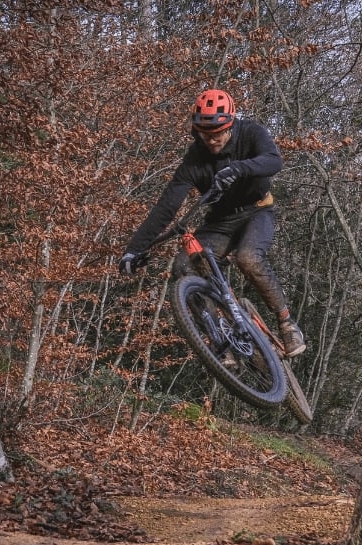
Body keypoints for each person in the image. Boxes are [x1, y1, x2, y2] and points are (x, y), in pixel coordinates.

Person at [119, 88, 305, 357]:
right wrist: (134, 249)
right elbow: (166, 207)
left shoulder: (251, 133)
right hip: (220, 222)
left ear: (230, 125)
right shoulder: (194, 159)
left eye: (218, 133)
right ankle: (219, 336)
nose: (212, 140)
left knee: (248, 258)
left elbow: (274, 161)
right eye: (205, 134)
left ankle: (287, 323)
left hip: (257, 211)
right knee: (184, 265)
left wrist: (239, 168)